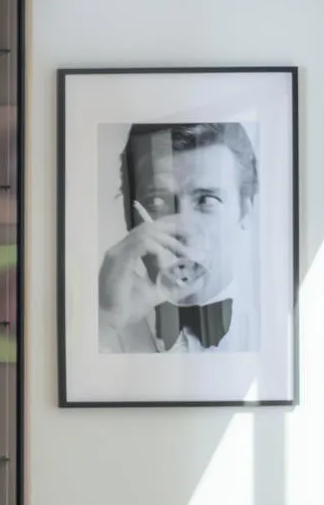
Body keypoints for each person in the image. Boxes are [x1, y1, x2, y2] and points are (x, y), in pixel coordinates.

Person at [96, 121, 259, 354]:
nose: (182, 228)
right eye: (156, 202)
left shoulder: (281, 331)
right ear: (129, 217)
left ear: (246, 210)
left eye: (206, 200)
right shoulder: (98, 333)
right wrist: (106, 320)